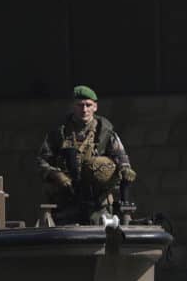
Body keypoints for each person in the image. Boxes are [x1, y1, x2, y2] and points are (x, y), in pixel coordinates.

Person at [37, 85, 134, 224]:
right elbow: (41, 161)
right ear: (73, 106)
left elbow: (121, 156)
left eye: (88, 105)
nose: (84, 109)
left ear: (95, 107)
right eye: (80, 105)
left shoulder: (105, 132)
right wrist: (56, 175)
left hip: (98, 202)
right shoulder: (59, 133)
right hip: (67, 200)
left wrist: (125, 169)